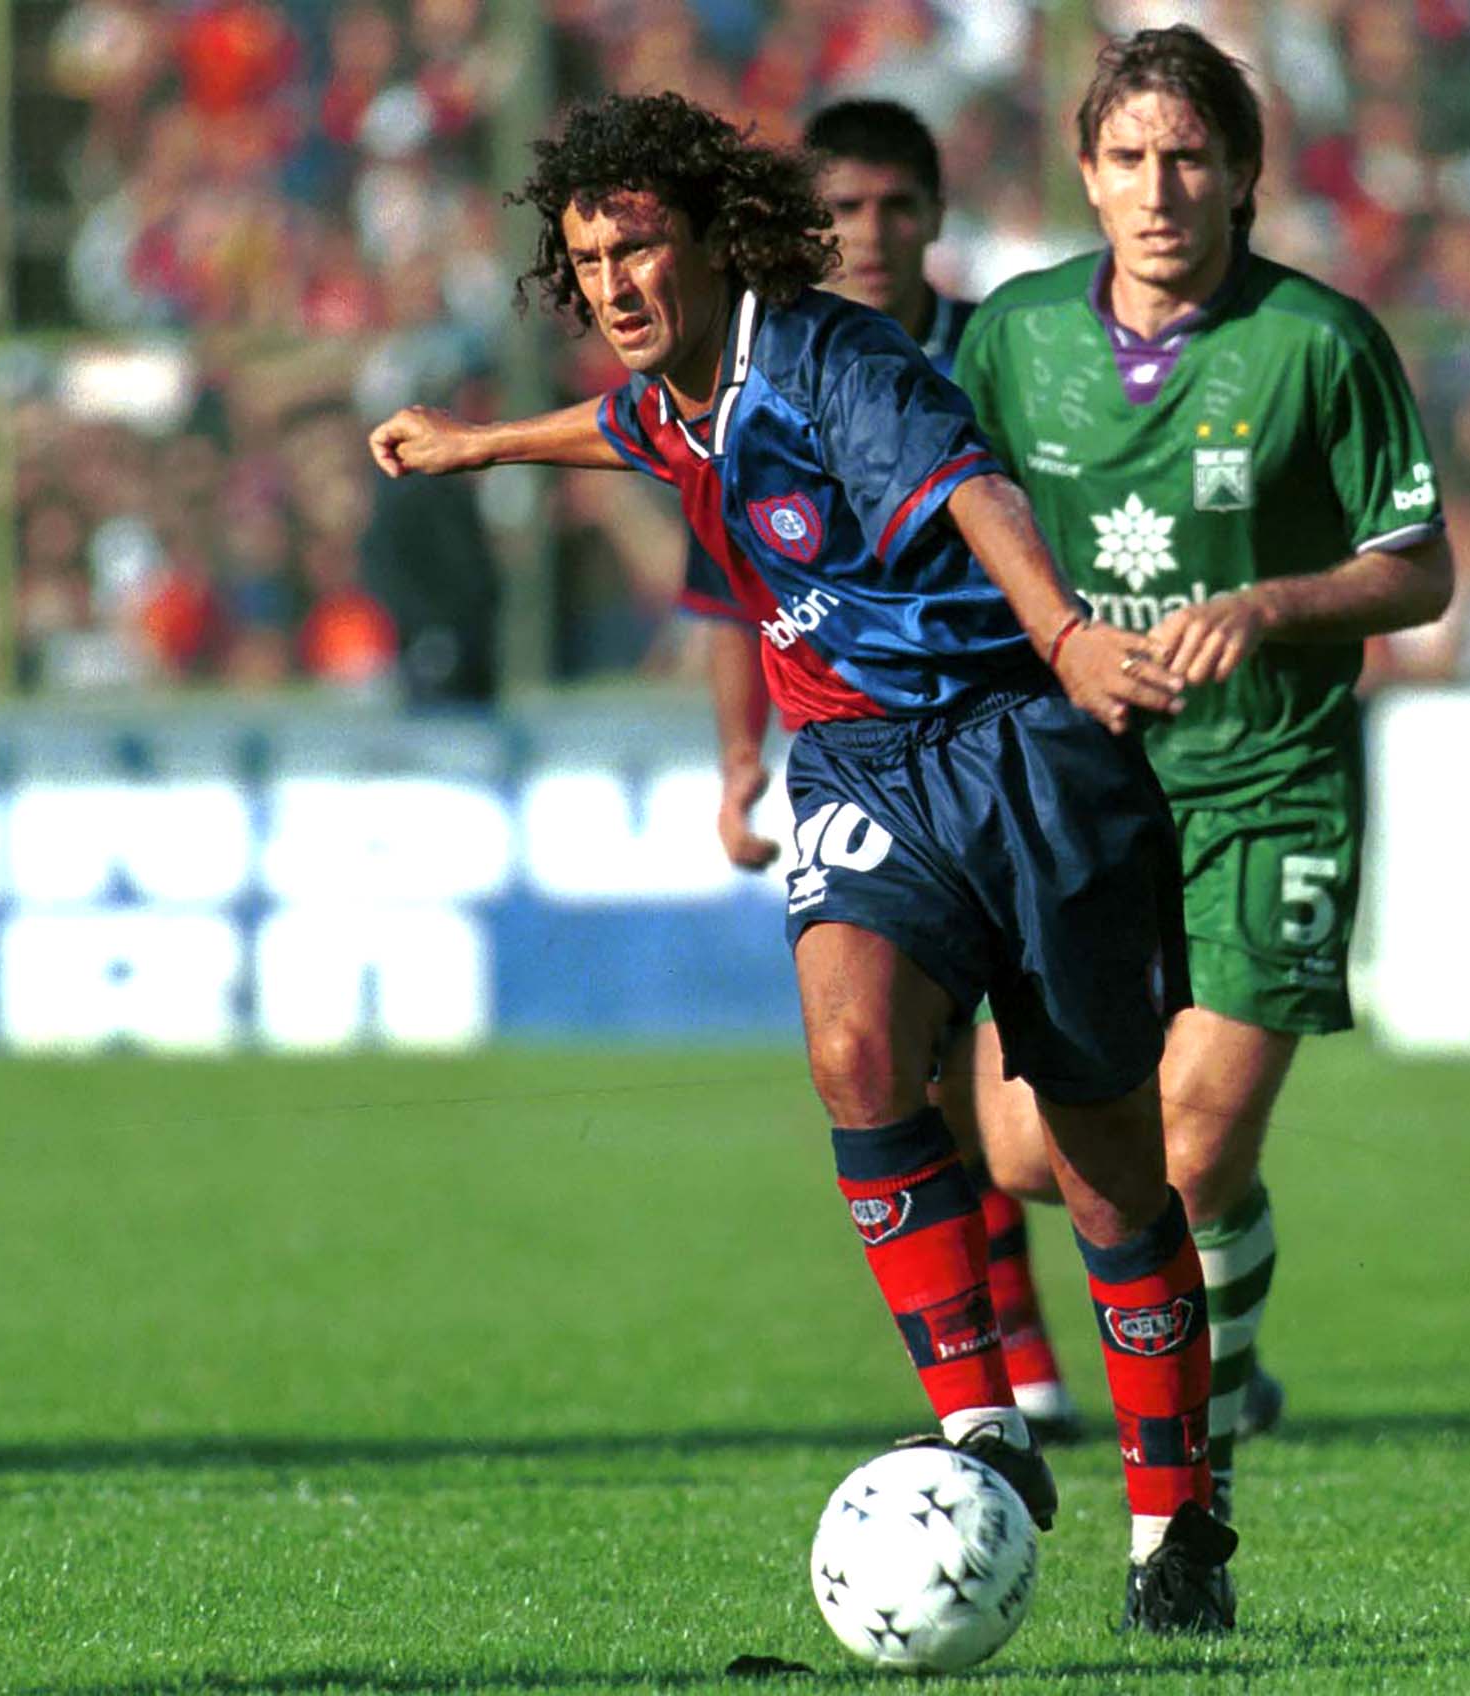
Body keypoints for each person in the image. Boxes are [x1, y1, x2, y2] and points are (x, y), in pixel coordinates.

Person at [368, 91, 1243, 1632]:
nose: (614, 285)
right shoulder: (681, 391)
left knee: (1106, 1173)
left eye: (639, 249)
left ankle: (1177, 1531)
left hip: (1025, 752)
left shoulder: (836, 362)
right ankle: (980, 1425)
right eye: (588, 262)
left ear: (716, 242)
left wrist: (1065, 640)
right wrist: (482, 444)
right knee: (854, 1053)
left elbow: (975, 493)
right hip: (858, 763)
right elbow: (629, 431)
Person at [947, 23, 1455, 1544]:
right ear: (1085, 174)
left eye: (1188, 158)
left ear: (1241, 173)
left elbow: (1419, 567)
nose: (1159, 189)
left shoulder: (1318, 342)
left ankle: (1193, 1487)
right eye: (1129, 158)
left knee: (1187, 1147)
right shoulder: (1014, 337)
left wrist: (1272, 605)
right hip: (1077, 783)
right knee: (1025, 1153)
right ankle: (1228, 1269)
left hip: (1270, 781)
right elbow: (956, 515)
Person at [704, 97, 1086, 1445]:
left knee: (1057, 1122)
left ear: (934, 216)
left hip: (1030, 745)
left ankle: (1203, 1279)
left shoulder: (1005, 356)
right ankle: (1013, 1375)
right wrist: (740, 761)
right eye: (843, 210)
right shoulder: (759, 378)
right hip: (876, 768)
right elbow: (734, 589)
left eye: (894, 206)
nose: (869, 234)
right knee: (901, 1062)